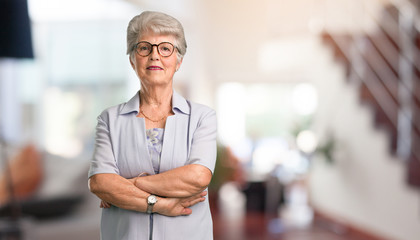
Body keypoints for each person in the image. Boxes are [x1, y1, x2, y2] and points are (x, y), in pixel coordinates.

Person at [88, 11, 217, 240]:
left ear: (178, 61)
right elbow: (100, 182)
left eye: (165, 48)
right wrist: (157, 205)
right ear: (132, 60)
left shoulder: (201, 117)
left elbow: (197, 178)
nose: (154, 56)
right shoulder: (109, 120)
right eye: (144, 48)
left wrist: (129, 184)